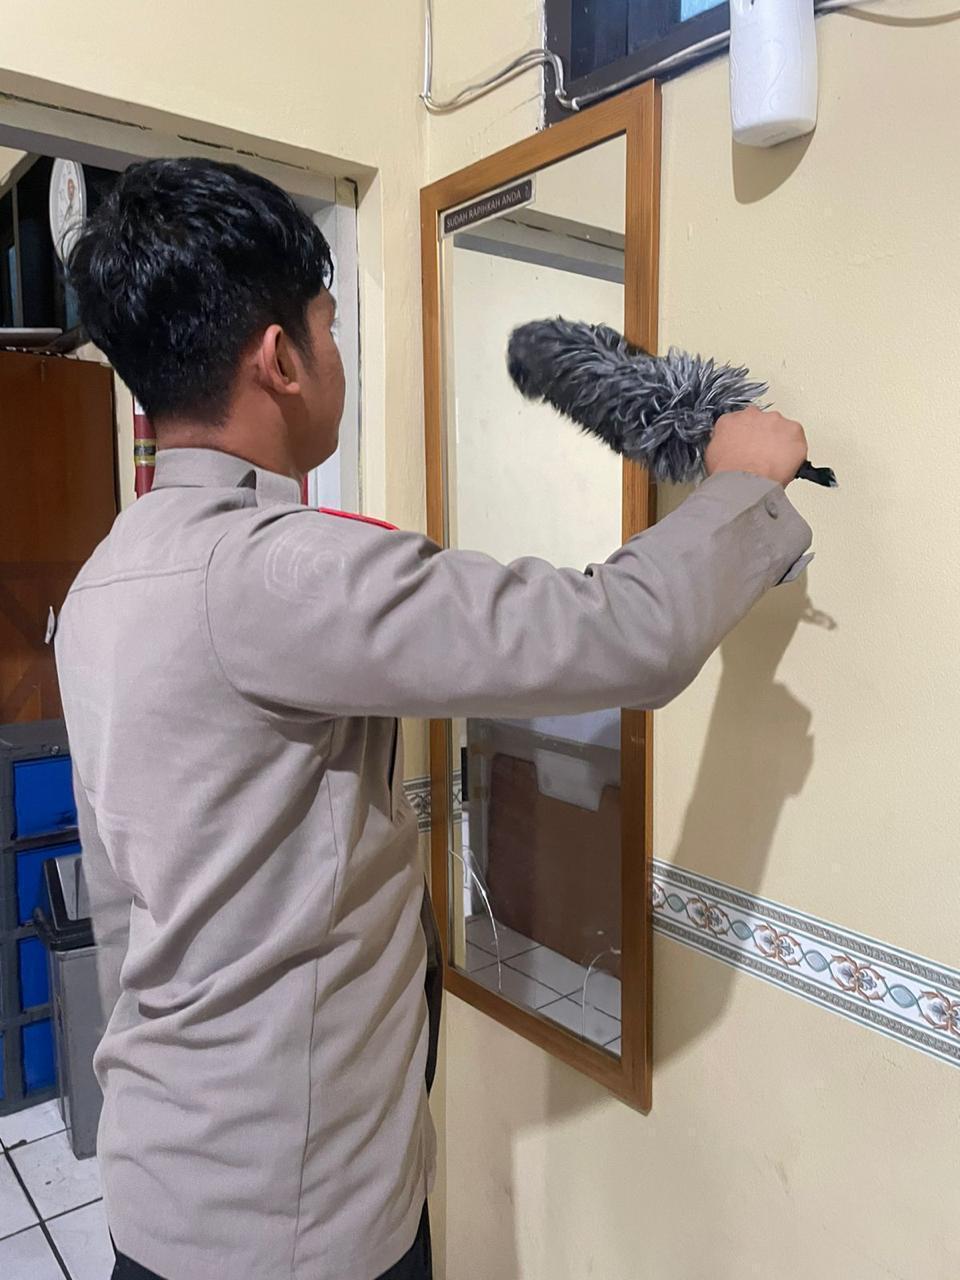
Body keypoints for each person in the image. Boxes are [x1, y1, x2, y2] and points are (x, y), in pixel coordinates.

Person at [56, 157, 812, 1280]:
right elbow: (619, 635)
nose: (337, 355)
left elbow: (121, 904)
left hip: (163, 1178)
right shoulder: (284, 574)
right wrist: (746, 484)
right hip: (291, 1218)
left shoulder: (102, 584)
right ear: (280, 360)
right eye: (330, 327)